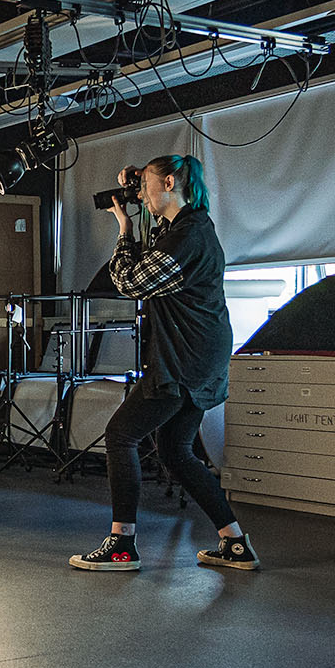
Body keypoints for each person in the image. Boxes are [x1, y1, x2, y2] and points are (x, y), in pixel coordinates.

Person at [69, 153, 259, 572]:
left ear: (171, 183)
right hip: (200, 355)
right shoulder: (187, 227)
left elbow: (131, 281)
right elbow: (157, 236)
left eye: (147, 187)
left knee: (121, 435)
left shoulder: (188, 237)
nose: (141, 196)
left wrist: (123, 228)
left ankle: (122, 545)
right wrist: (139, 184)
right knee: (176, 451)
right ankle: (235, 543)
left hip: (183, 359)